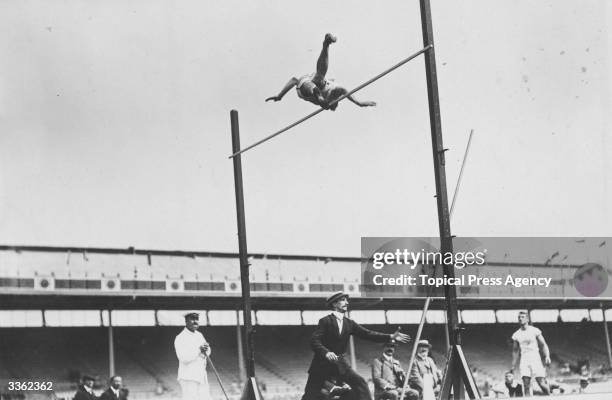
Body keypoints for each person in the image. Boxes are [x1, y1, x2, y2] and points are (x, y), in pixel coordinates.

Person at [302, 291, 410, 400]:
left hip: (340, 365)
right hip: (321, 365)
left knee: (360, 383)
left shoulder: (349, 323)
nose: (347, 303)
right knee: (310, 395)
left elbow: (368, 334)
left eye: (346, 300)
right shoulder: (325, 321)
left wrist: (390, 336)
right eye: (343, 300)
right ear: (334, 304)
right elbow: (314, 341)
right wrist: (326, 352)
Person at [265, 34, 377, 111]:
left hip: (306, 89)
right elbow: (294, 80)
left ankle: (326, 45)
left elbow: (294, 80)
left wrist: (280, 96)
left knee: (319, 83)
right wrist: (359, 103)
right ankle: (326, 44)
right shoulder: (333, 90)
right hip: (309, 82)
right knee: (319, 79)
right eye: (335, 104)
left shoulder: (330, 95)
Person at [511, 311, 551, 396]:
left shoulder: (534, 330)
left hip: (535, 357)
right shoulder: (516, 334)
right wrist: (513, 364)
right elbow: (515, 350)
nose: (520, 319)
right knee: (526, 384)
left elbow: (543, 344)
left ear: (527, 319)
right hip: (524, 359)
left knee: (541, 383)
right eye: (519, 317)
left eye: (522, 317)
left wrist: (547, 356)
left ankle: (550, 397)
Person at [174, 311, 211, 400]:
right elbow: (184, 358)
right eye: (192, 319)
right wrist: (199, 350)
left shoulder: (199, 335)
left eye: (197, 319)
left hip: (201, 376)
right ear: (186, 321)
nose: (195, 321)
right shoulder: (180, 337)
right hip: (188, 377)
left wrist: (206, 349)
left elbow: (208, 351)